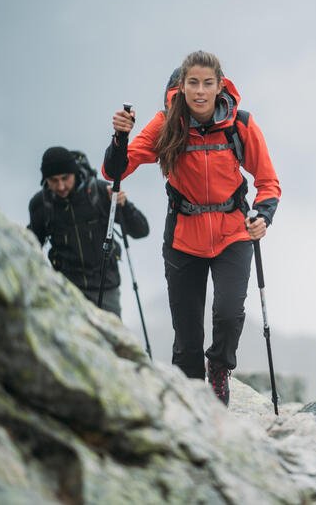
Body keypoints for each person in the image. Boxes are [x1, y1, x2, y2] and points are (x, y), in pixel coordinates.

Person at [102, 50, 281, 406]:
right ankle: (190, 402)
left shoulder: (239, 124)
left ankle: (218, 368)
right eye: (193, 83)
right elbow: (115, 171)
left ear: (220, 86)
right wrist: (120, 137)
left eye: (208, 83)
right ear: (182, 87)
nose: (200, 91)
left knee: (229, 313)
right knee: (186, 336)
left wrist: (262, 215)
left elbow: (268, 182)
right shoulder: (165, 124)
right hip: (183, 238)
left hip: (233, 234)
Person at [28, 146, 150, 316]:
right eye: (53, 180)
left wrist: (124, 205)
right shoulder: (40, 205)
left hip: (106, 287)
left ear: (75, 173)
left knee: (112, 342)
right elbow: (30, 246)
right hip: (67, 291)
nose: (61, 186)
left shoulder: (101, 192)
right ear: (45, 179)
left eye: (65, 178)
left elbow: (141, 229)